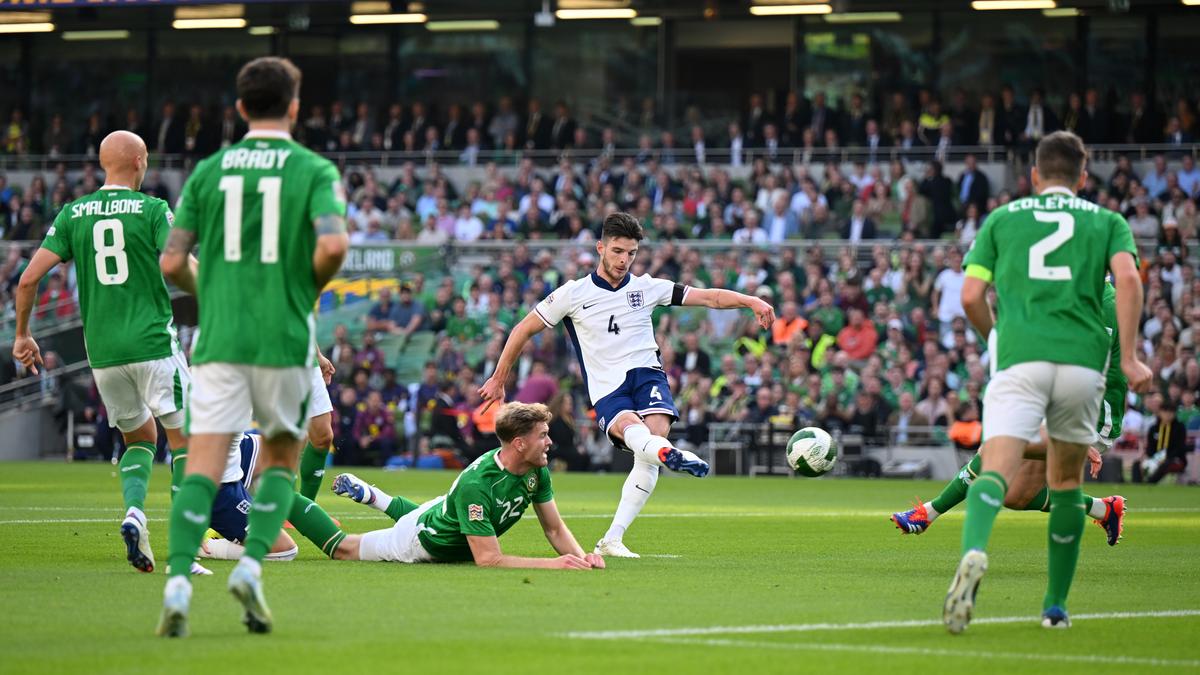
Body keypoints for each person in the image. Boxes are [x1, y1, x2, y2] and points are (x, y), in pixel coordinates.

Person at [156, 56, 349, 638]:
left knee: (205, 463)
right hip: (283, 336)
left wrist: (213, 291)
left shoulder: (208, 171)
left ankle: (179, 582)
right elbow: (335, 245)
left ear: (240, 109)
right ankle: (251, 567)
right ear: (294, 107)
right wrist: (298, 290)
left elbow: (170, 261)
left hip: (219, 338)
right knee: (279, 462)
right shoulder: (313, 169)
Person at [944, 131, 1150, 633]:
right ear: (1082, 178)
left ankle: (973, 552)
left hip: (1021, 357)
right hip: (1082, 365)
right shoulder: (1107, 222)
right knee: (1063, 484)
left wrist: (996, 341)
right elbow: (1128, 280)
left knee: (997, 464)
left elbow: (971, 295)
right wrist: (1130, 355)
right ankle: (1055, 607)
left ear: (1033, 177)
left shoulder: (1003, 219)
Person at [478, 212, 775, 558]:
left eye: (631, 253)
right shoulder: (573, 294)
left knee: (649, 448)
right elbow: (523, 329)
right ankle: (669, 456)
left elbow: (709, 297)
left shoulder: (646, 287)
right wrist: (499, 377)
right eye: (617, 251)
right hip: (607, 387)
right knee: (640, 437)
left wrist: (751, 300)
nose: (623, 260)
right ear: (601, 247)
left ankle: (613, 538)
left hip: (648, 374)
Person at [11, 130, 201, 576]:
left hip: (104, 355)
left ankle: (135, 513)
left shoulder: (74, 213)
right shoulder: (152, 209)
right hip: (153, 344)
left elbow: (26, 280)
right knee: (187, 442)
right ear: (139, 162)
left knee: (139, 438)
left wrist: (23, 334)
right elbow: (177, 262)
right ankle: (185, 553)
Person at [894, 283, 1129, 547]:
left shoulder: (1103, 302)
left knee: (999, 444)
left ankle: (927, 514)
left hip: (1092, 416)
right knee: (1018, 496)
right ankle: (1105, 510)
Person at [291, 403, 605, 570]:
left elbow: (554, 529)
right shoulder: (478, 484)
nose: (550, 442)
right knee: (344, 550)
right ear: (520, 444)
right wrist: (554, 564)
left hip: (443, 511)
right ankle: (285, 498)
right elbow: (488, 559)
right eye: (543, 436)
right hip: (416, 541)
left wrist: (582, 558)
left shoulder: (536, 469)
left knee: (446, 514)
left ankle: (375, 496)